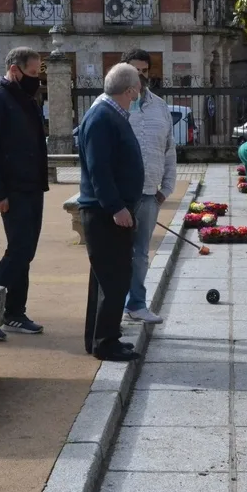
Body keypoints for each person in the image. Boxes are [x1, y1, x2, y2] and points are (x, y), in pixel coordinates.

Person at [90, 49, 176, 325]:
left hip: (150, 193)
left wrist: (167, 187)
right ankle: (110, 312)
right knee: (115, 255)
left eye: (144, 71)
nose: (140, 76)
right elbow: (96, 158)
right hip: (119, 196)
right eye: (135, 70)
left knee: (140, 254)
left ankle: (136, 304)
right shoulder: (107, 107)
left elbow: (169, 148)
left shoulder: (160, 106)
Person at [0, 47, 49, 340]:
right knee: (18, 251)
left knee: (25, 252)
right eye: (32, 73)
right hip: (12, 190)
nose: (37, 79)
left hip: (32, 187)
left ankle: (14, 312)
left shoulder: (24, 98)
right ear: (15, 70)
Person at [77, 63, 145, 361]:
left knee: (107, 278)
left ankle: (100, 337)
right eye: (138, 88)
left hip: (110, 210)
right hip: (105, 213)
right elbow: (99, 169)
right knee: (114, 279)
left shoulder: (110, 114)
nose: (139, 93)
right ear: (130, 90)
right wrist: (116, 207)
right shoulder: (102, 117)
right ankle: (106, 343)